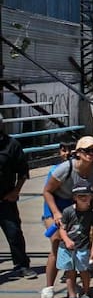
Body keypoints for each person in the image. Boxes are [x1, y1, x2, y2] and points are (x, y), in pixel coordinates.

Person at [41, 135, 93, 298]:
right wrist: (55, 213)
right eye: (87, 150)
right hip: (57, 202)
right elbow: (47, 191)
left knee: (82, 239)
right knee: (57, 240)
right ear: (78, 152)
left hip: (80, 203)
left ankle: (75, 278)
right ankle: (48, 288)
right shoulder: (65, 169)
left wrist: (90, 209)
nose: (91, 154)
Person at [0, 114, 34, 280]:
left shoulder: (12, 145)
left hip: (6, 200)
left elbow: (23, 172)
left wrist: (16, 191)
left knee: (14, 234)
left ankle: (21, 265)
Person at [56, 185, 93, 298]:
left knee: (84, 271)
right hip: (67, 247)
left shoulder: (92, 213)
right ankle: (72, 295)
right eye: (80, 196)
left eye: (86, 196)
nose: (84, 199)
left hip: (83, 246)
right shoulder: (68, 211)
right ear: (75, 198)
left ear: (91, 197)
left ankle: (86, 292)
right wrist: (66, 240)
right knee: (69, 272)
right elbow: (62, 229)